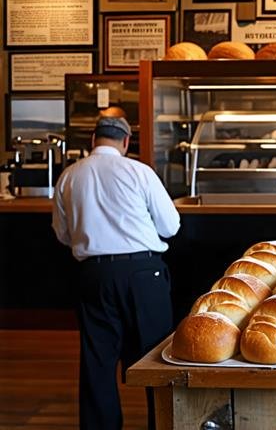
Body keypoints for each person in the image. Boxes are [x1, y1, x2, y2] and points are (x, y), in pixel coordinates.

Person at [52, 116, 180, 430]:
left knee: (97, 362)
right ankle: (161, 424)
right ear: (125, 142)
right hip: (142, 273)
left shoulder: (69, 176)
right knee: (155, 359)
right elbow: (171, 226)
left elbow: (63, 234)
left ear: (93, 139)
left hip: (93, 274)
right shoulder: (139, 171)